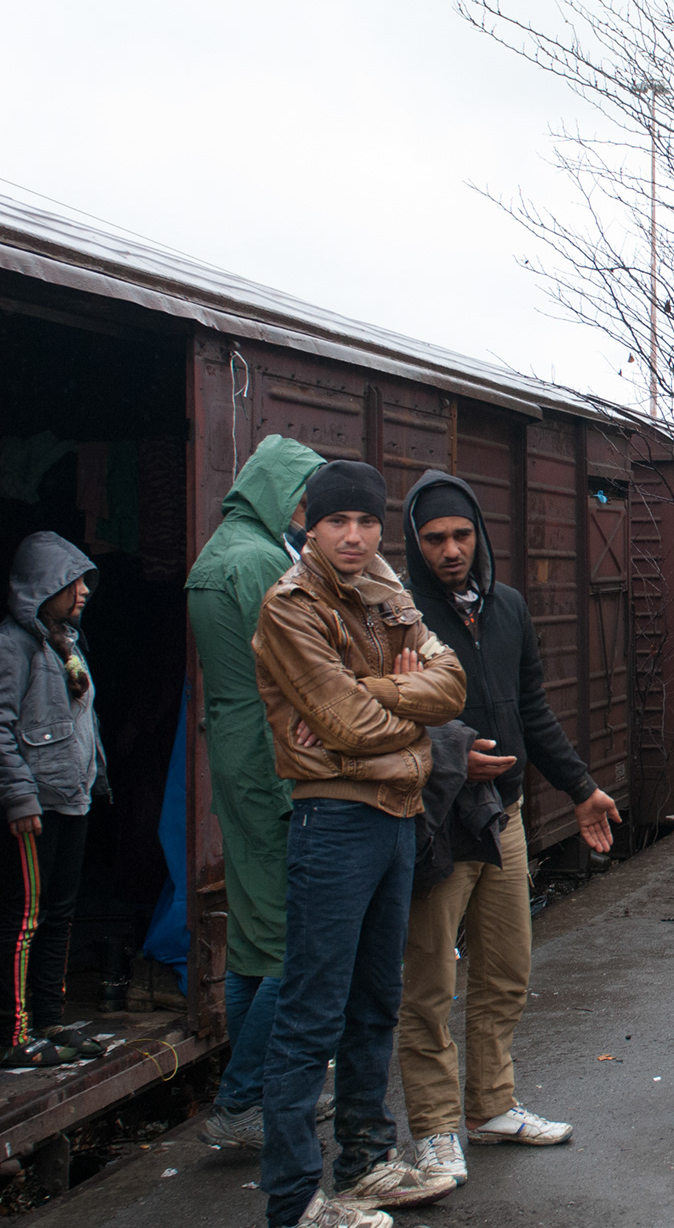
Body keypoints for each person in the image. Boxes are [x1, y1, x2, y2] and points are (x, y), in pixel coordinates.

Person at [252, 460, 468, 1228]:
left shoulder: (386, 590)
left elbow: (452, 685)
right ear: (310, 524)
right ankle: (293, 1201)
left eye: (367, 521)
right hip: (335, 819)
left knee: (376, 1002)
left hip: (396, 815)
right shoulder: (291, 605)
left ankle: (366, 1164)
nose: (354, 535)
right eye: (338, 521)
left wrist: (371, 690)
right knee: (312, 1015)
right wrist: (405, 711)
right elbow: (343, 723)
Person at [396, 470, 623, 1187]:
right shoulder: (401, 617)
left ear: (480, 536)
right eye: (435, 539)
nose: (451, 550)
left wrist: (582, 789)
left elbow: (532, 710)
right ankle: (434, 1130)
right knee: (429, 983)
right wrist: (451, 757)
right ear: (415, 543)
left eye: (462, 535)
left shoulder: (509, 608)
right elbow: (384, 718)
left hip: (506, 815)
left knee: (505, 970)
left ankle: (491, 1106)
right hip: (437, 821)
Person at [186, 435, 325, 1146]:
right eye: (305, 499)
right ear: (280, 493)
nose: (309, 515)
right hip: (270, 757)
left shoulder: (216, 555)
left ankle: (259, 1093)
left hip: (233, 750)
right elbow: (297, 665)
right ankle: (244, 1101)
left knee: (251, 941)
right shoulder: (264, 562)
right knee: (292, 944)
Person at [0, 532, 110, 1068]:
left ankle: (48, 1019)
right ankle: (13, 1033)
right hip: (35, 807)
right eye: (74, 582)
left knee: (60, 914)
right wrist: (19, 797)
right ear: (45, 586)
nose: (84, 591)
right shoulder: (13, 644)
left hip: (71, 799)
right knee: (24, 919)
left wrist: (95, 777)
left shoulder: (65, 642)